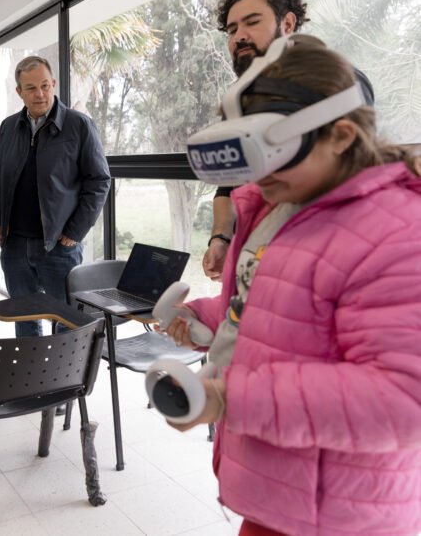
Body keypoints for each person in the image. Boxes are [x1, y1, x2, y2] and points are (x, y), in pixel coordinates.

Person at [163, 35, 421, 536]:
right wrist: (205, 317)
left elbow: (403, 400)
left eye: (273, 151)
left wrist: (230, 398)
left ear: (341, 135)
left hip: (342, 515)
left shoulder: (396, 231)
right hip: (281, 496)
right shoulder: (281, 203)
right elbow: (265, 301)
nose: (258, 174)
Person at [0, 56, 110, 336]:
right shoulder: (8, 127)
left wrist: (75, 231)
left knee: (67, 322)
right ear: (19, 91)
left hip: (59, 246)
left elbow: (99, 181)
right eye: (31, 88)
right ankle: (33, 367)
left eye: (45, 85)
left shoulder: (79, 125)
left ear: (53, 83)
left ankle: (65, 369)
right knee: (24, 319)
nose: (40, 94)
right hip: (15, 247)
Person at [202, 0, 309, 281]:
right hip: (248, 266)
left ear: (287, 24)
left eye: (252, 22)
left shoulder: (332, 87)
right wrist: (220, 238)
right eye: (232, 30)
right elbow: (228, 184)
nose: (239, 36)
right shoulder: (239, 102)